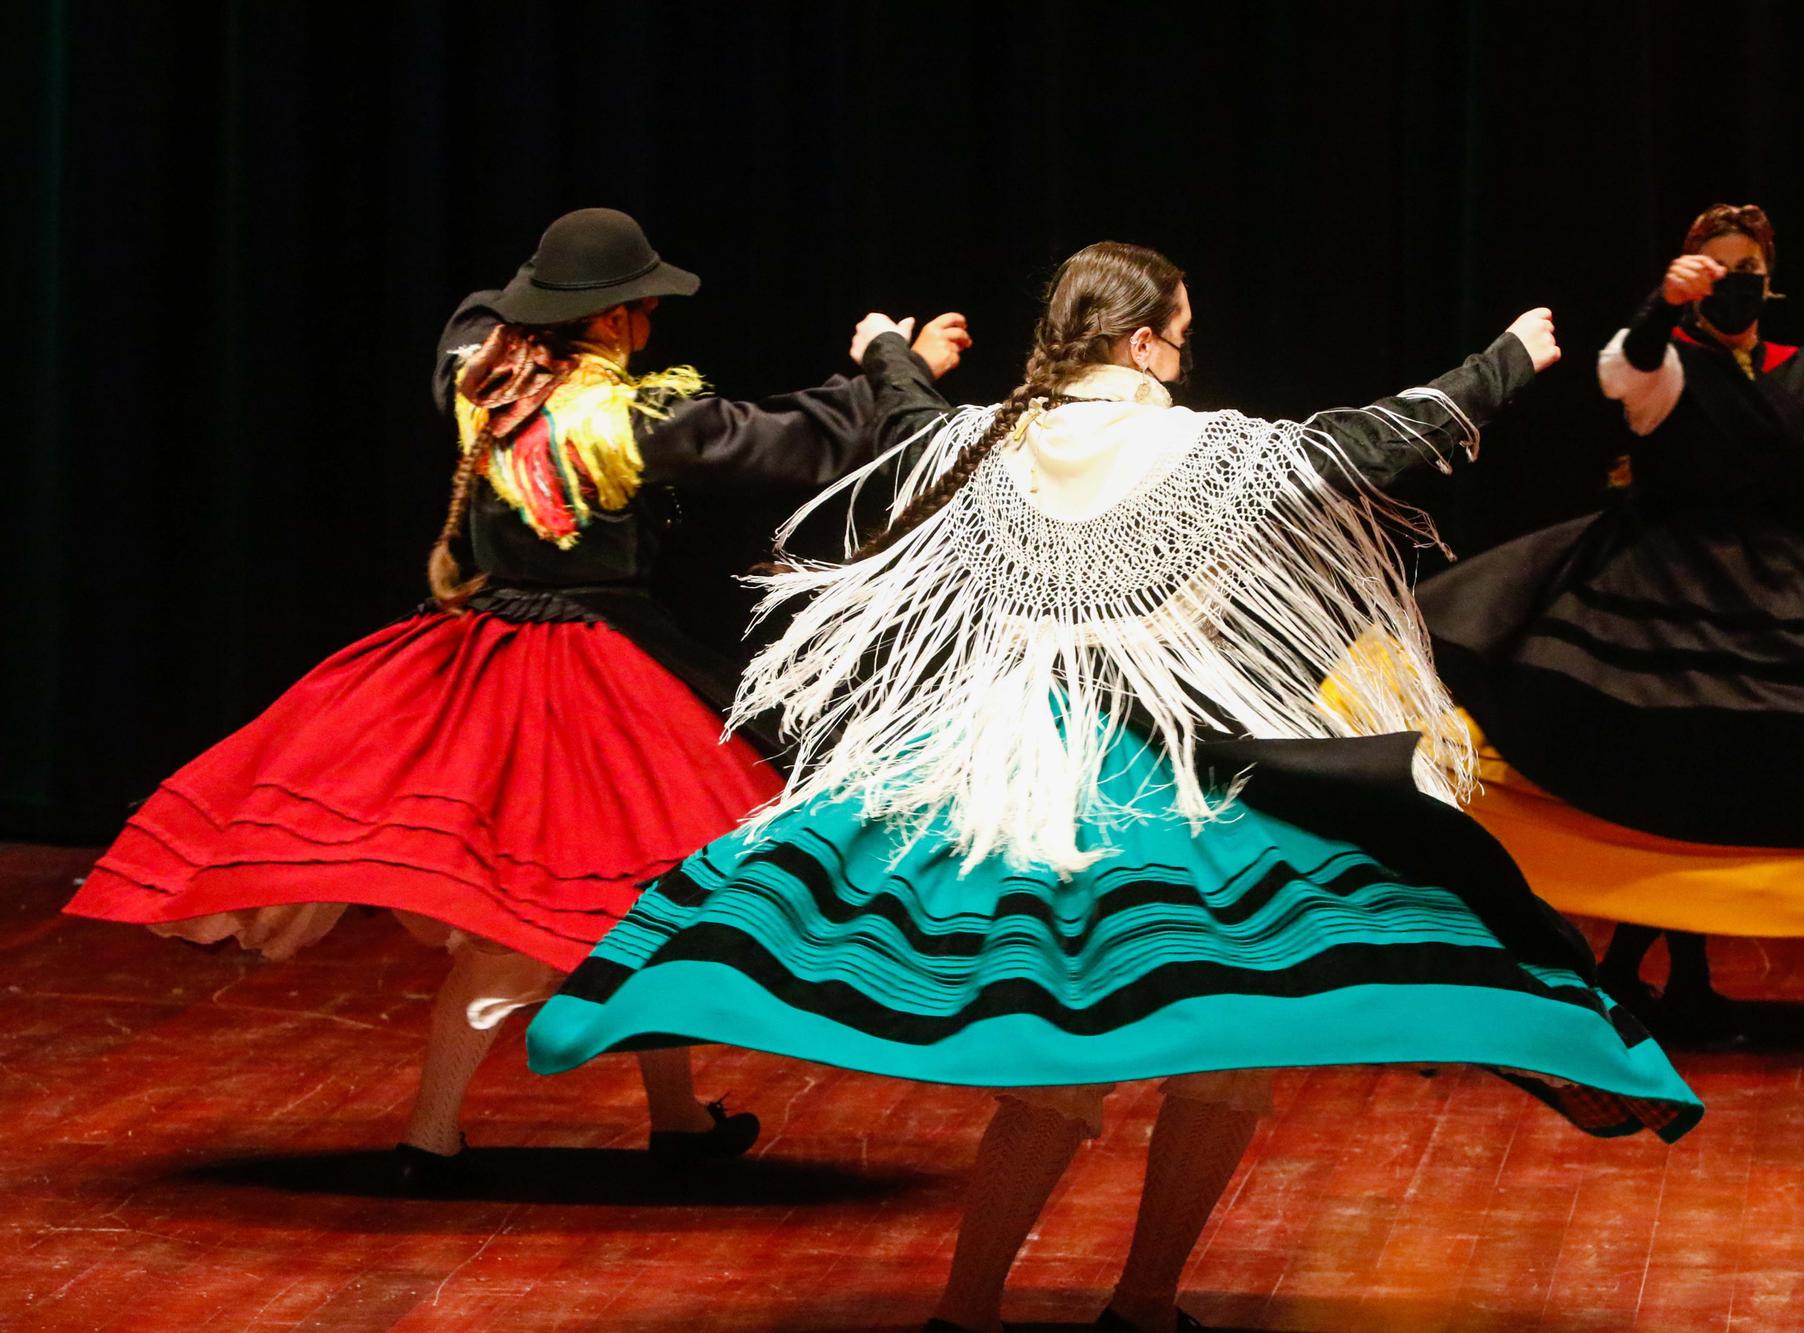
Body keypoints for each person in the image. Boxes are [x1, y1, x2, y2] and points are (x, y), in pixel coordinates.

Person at [525, 241, 1700, 1331]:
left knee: (1055, 1063)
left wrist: (884, 343)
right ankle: (1139, 1305)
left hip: (1006, 767)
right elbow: (1374, 442)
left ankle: (970, 1309)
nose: (1184, 361)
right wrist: (1506, 360)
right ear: (1141, 344)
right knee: (1225, 1049)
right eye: (1178, 338)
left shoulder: (979, 441)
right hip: (1169, 776)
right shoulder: (1202, 450)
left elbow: (905, 411)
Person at [64, 207, 973, 1190]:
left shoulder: (479, 369)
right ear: (618, 319)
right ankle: (429, 1136)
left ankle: (674, 1116)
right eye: (641, 307)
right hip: (578, 681)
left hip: (478, 650)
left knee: (646, 894)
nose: (651, 324)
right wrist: (895, 358)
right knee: (542, 912)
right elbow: (803, 440)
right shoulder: (631, 419)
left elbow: (482, 308)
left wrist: (549, 299)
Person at [1415, 203, 1804, 1041]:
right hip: (1654, 585)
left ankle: (1661, 976)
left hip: (1769, 592)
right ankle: (1640, 971)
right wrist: (1659, 303)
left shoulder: (1801, 374)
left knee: (1720, 775)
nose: (1736, 287)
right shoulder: (1671, 364)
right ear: (1695, 282)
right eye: (1717, 273)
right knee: (1665, 768)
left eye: (1749, 273)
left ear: (1771, 280)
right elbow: (1623, 370)